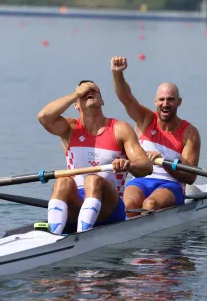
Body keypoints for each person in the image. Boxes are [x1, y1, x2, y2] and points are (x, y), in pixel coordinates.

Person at [38, 80, 152, 234]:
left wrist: (129, 165)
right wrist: (76, 94)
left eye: (94, 90)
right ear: (76, 104)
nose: (89, 92)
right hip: (77, 203)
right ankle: (54, 235)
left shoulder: (120, 129)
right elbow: (44, 117)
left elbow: (146, 166)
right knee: (62, 181)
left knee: (93, 179)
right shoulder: (69, 129)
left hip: (110, 208)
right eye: (84, 92)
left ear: (102, 101)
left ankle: (82, 237)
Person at [111, 56, 201, 216]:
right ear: (155, 102)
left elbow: (190, 177)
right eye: (162, 100)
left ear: (179, 102)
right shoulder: (145, 119)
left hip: (171, 184)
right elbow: (126, 99)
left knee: (149, 204)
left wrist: (165, 162)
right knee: (129, 204)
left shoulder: (190, 133)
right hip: (140, 180)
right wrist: (117, 74)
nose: (165, 104)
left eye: (170, 100)